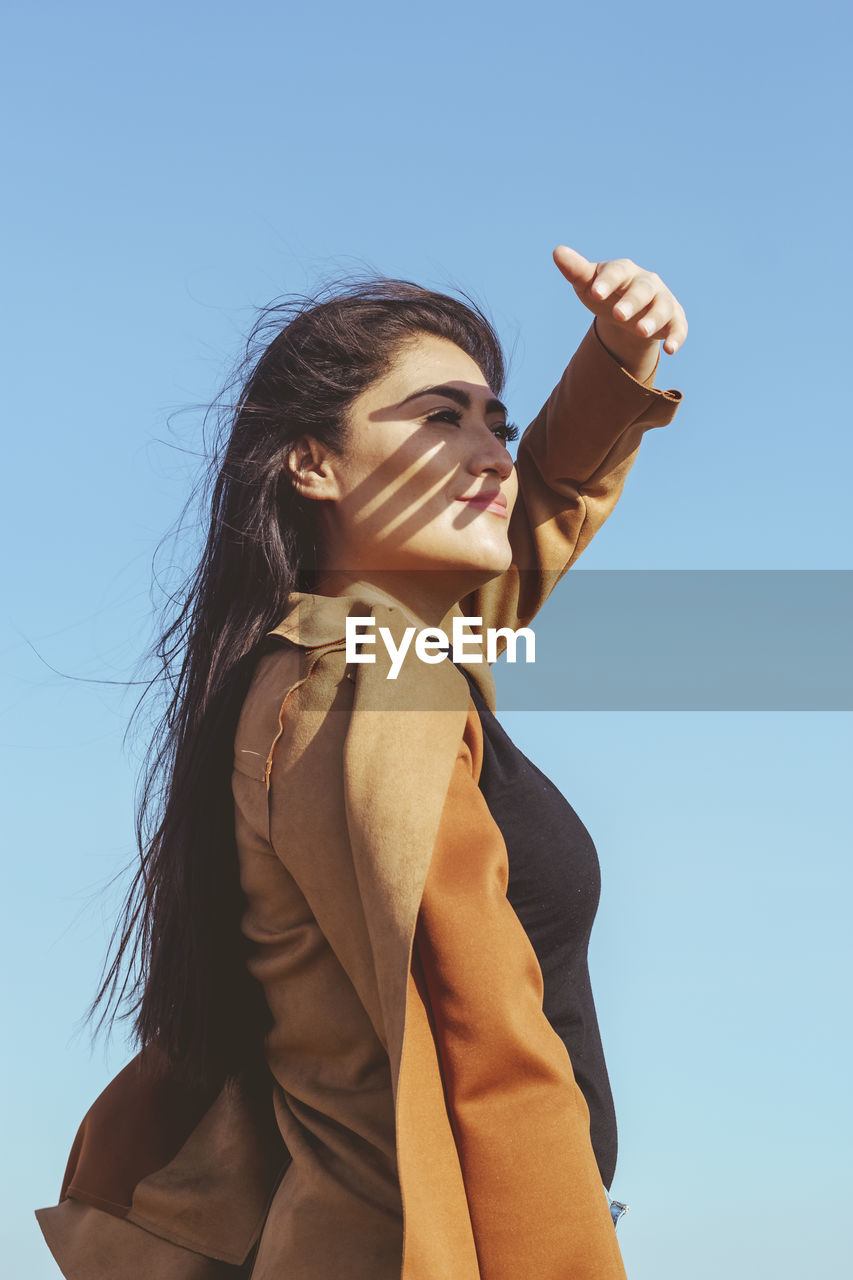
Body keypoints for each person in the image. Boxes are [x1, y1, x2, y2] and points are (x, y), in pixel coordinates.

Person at [34, 246, 685, 1279]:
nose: (493, 454)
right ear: (313, 464)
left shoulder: (346, 657)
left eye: (496, 424)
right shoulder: (374, 687)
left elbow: (536, 510)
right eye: (441, 416)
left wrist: (618, 352)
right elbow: (485, 1048)